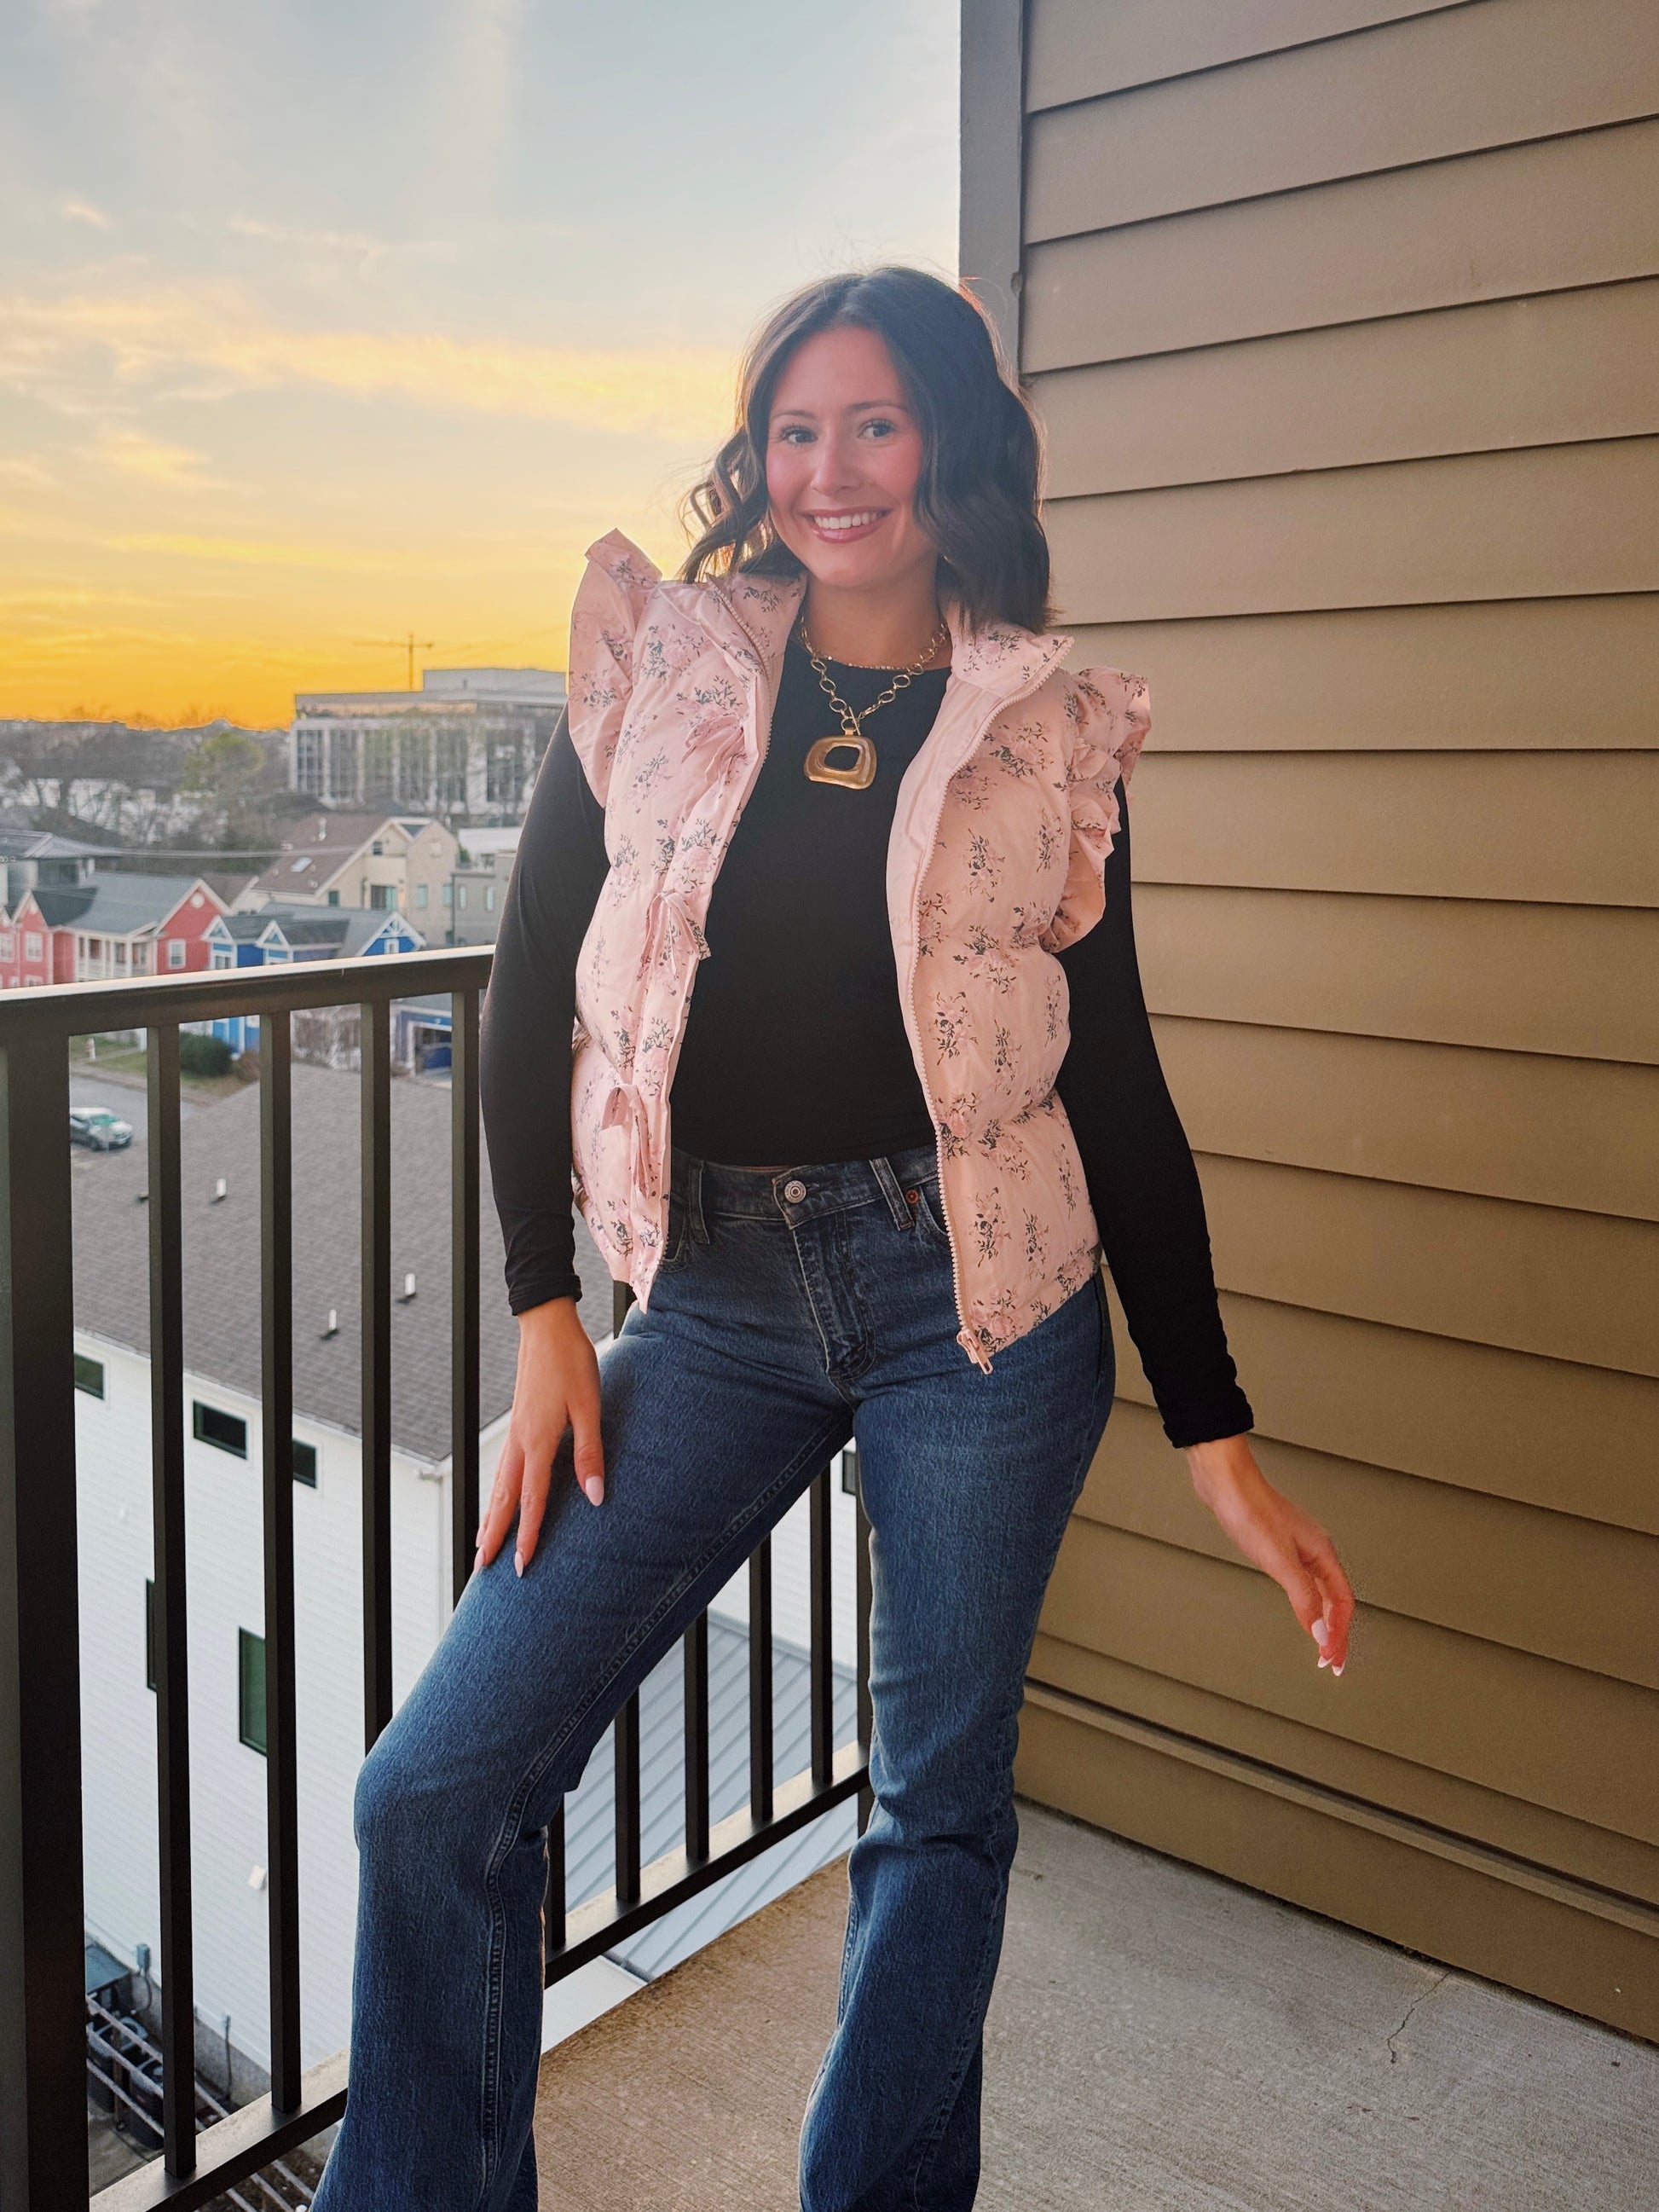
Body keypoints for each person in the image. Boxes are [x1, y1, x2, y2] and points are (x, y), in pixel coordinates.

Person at [312, 265, 1355, 2212]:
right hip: (711, 1295)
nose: (829, 468)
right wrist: (545, 1310)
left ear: (947, 439)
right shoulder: (671, 658)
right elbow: (528, 991)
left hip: (980, 1301)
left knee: (933, 1811)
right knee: (434, 1785)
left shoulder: (1044, 721)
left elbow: (1117, 1073)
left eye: (873, 421)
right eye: (794, 429)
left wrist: (1214, 1431)